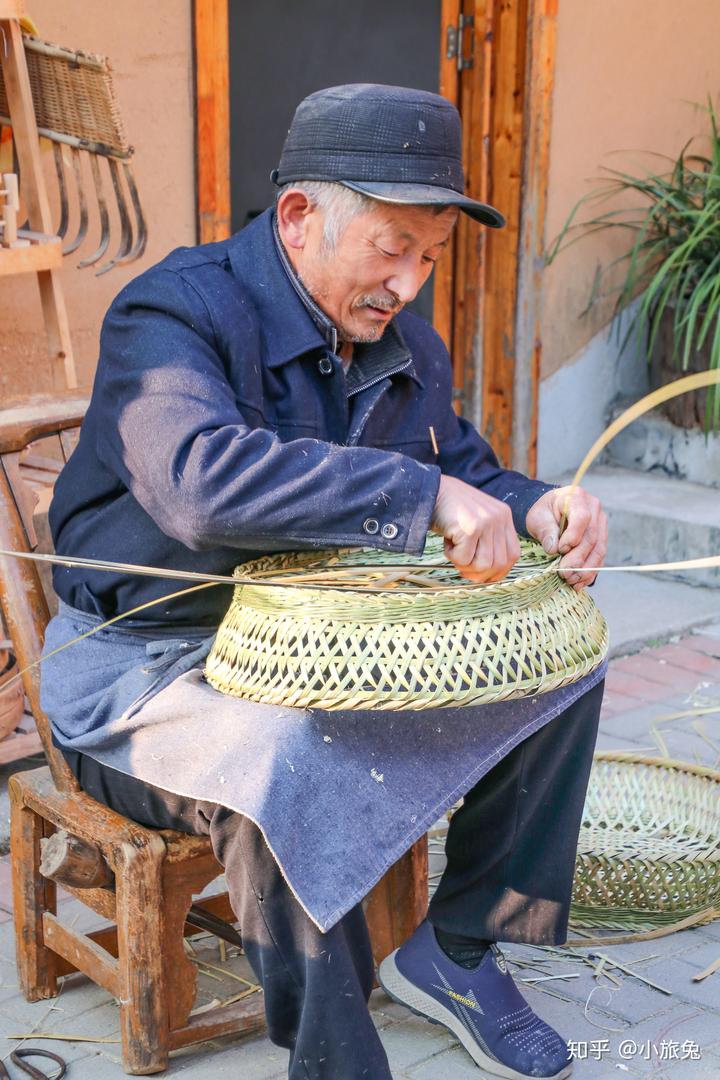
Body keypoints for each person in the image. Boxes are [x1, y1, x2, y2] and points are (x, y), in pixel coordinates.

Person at [42, 84, 608, 1080]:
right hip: (144, 667)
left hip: (319, 654)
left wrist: (535, 505)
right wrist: (415, 489)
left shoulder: (399, 345)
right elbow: (198, 487)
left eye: (430, 258)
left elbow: (464, 469)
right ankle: (340, 1062)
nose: (410, 284)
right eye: (391, 247)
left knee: (561, 657)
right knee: (283, 762)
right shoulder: (172, 310)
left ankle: (460, 948)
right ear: (300, 218)